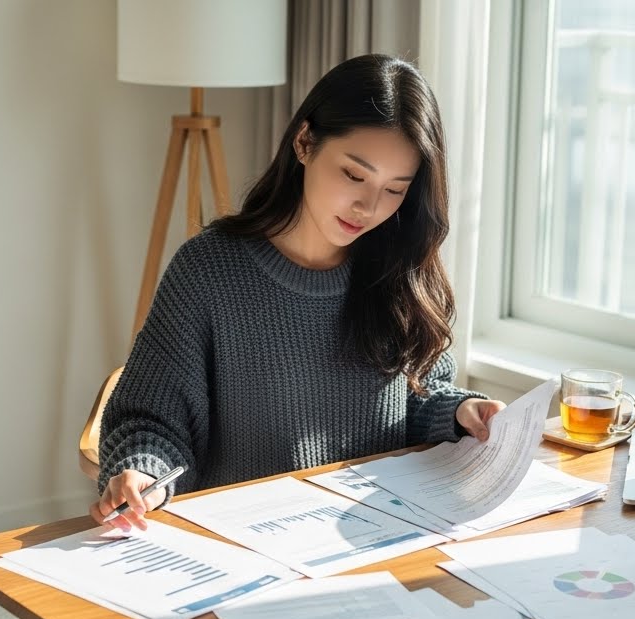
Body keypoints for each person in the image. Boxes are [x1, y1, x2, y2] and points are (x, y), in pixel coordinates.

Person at [91, 53, 506, 531]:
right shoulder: (208, 272)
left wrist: (458, 412)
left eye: (395, 190)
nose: (368, 207)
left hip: (373, 538)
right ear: (305, 142)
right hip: (244, 544)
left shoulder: (399, 271)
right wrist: (144, 474)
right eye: (354, 174)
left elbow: (415, 400)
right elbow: (150, 420)